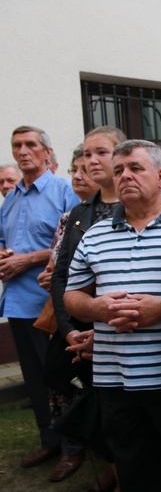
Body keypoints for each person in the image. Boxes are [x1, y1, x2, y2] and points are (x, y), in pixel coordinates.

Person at [64, 140, 161, 492]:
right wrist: (95, 308)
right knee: (135, 470)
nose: (125, 176)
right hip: (116, 381)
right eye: (119, 171)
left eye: (135, 168)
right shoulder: (95, 234)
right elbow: (71, 296)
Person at [49, 126, 126, 490]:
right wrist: (70, 331)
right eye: (87, 154)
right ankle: (111, 466)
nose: (92, 161)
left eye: (101, 152)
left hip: (126, 333)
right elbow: (62, 278)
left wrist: (104, 329)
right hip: (83, 338)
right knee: (99, 411)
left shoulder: (140, 205)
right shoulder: (80, 214)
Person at [0, 126, 79, 471]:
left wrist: (27, 259)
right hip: (16, 301)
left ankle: (74, 447)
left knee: (58, 377)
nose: (23, 150)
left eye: (30, 144)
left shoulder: (63, 191)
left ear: (47, 152)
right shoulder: (11, 197)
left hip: (48, 304)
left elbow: (74, 243)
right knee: (34, 380)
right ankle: (49, 441)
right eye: (17, 145)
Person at [35, 144, 99, 482]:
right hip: (70, 319)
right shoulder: (71, 217)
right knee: (63, 381)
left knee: (102, 398)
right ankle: (74, 448)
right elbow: (60, 271)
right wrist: (66, 327)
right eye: (74, 169)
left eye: (85, 169)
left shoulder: (109, 215)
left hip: (102, 321)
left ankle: (111, 463)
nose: (78, 175)